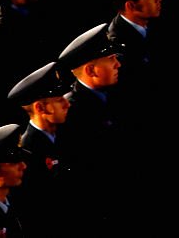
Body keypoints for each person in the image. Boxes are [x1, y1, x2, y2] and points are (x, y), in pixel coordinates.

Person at [55, 24, 126, 231]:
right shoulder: (70, 112)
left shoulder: (118, 94)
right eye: (111, 59)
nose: (118, 64)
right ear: (91, 70)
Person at [6, 62, 70, 237]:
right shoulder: (27, 152)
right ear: (40, 108)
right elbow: (33, 210)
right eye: (59, 100)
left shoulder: (65, 132)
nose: (67, 104)